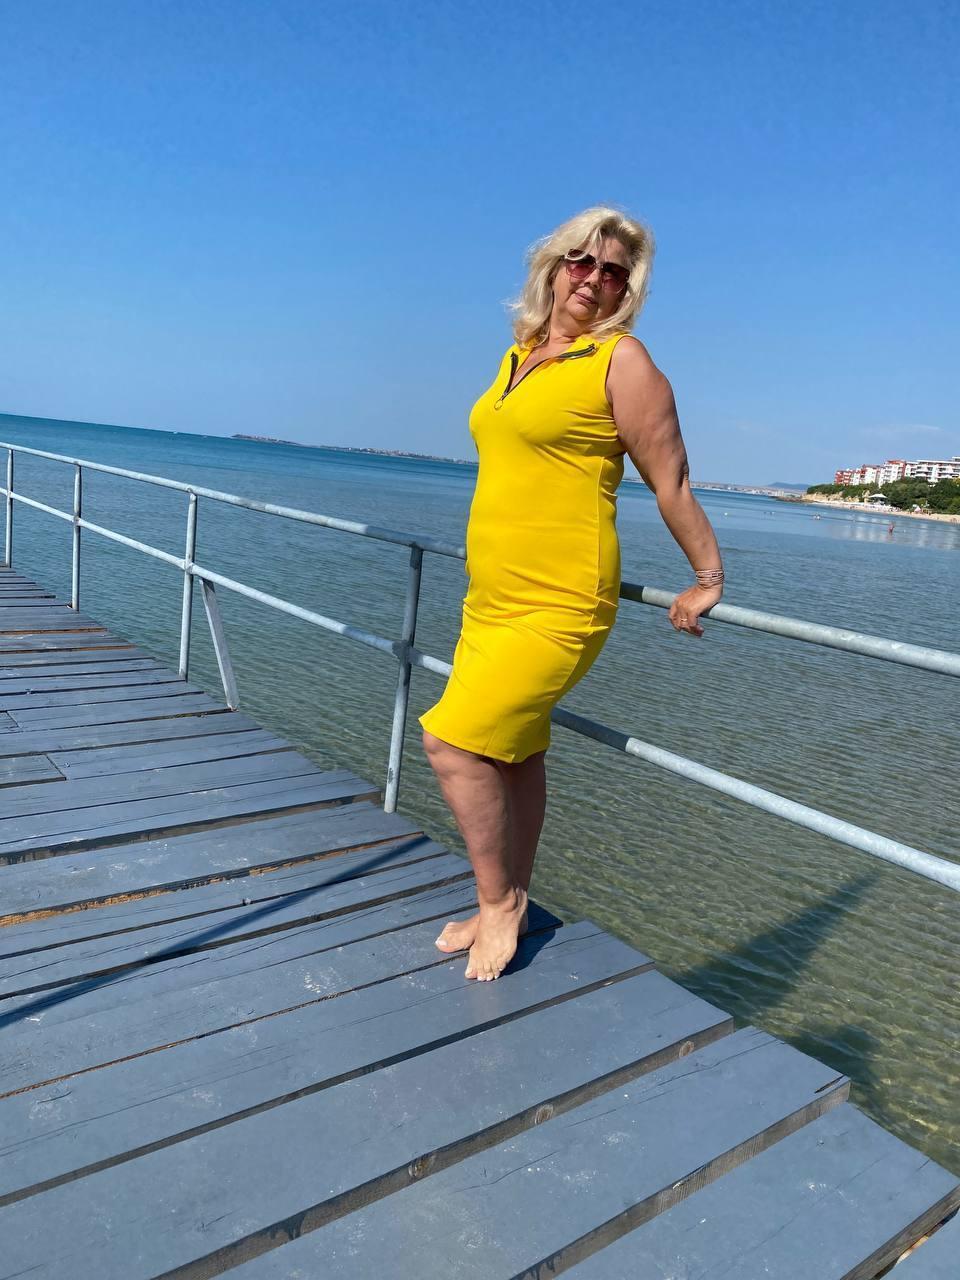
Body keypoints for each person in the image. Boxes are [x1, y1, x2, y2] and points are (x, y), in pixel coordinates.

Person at [419, 206, 724, 981]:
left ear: (628, 288)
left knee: (451, 743)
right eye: (582, 261)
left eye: (614, 271)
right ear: (553, 267)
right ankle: (512, 898)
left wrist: (707, 578)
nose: (595, 278)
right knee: (514, 752)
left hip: (561, 600)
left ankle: (497, 905)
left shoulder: (622, 362)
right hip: (491, 596)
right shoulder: (518, 354)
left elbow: (672, 479)